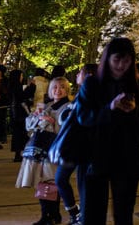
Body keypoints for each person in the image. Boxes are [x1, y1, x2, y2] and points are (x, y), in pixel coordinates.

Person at [75, 37, 139, 225]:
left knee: (124, 212)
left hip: (126, 155)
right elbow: (83, 117)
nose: (121, 65)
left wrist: (134, 111)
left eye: (126, 61)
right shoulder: (92, 84)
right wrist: (110, 108)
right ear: (107, 59)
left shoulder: (136, 86)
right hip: (96, 154)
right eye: (117, 60)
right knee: (93, 212)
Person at [17, 77, 70, 225]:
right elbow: (29, 126)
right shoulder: (48, 105)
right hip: (40, 149)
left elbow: (66, 130)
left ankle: (51, 215)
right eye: (54, 87)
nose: (58, 91)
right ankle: (49, 215)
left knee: (50, 182)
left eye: (62, 87)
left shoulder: (68, 108)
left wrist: (49, 122)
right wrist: (38, 117)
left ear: (67, 90)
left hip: (55, 150)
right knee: (43, 182)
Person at [56, 63, 96, 225]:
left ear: (88, 75)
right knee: (63, 179)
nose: (77, 75)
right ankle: (76, 214)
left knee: (83, 184)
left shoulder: (88, 94)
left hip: (80, 146)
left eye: (80, 72)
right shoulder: (81, 94)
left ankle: (82, 217)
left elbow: (78, 118)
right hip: (73, 146)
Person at [9, 68, 30, 161]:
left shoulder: (11, 86)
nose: (22, 77)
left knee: (17, 134)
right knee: (21, 134)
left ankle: (18, 154)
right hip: (19, 114)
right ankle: (19, 154)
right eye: (21, 76)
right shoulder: (17, 86)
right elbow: (22, 97)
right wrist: (31, 87)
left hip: (15, 114)